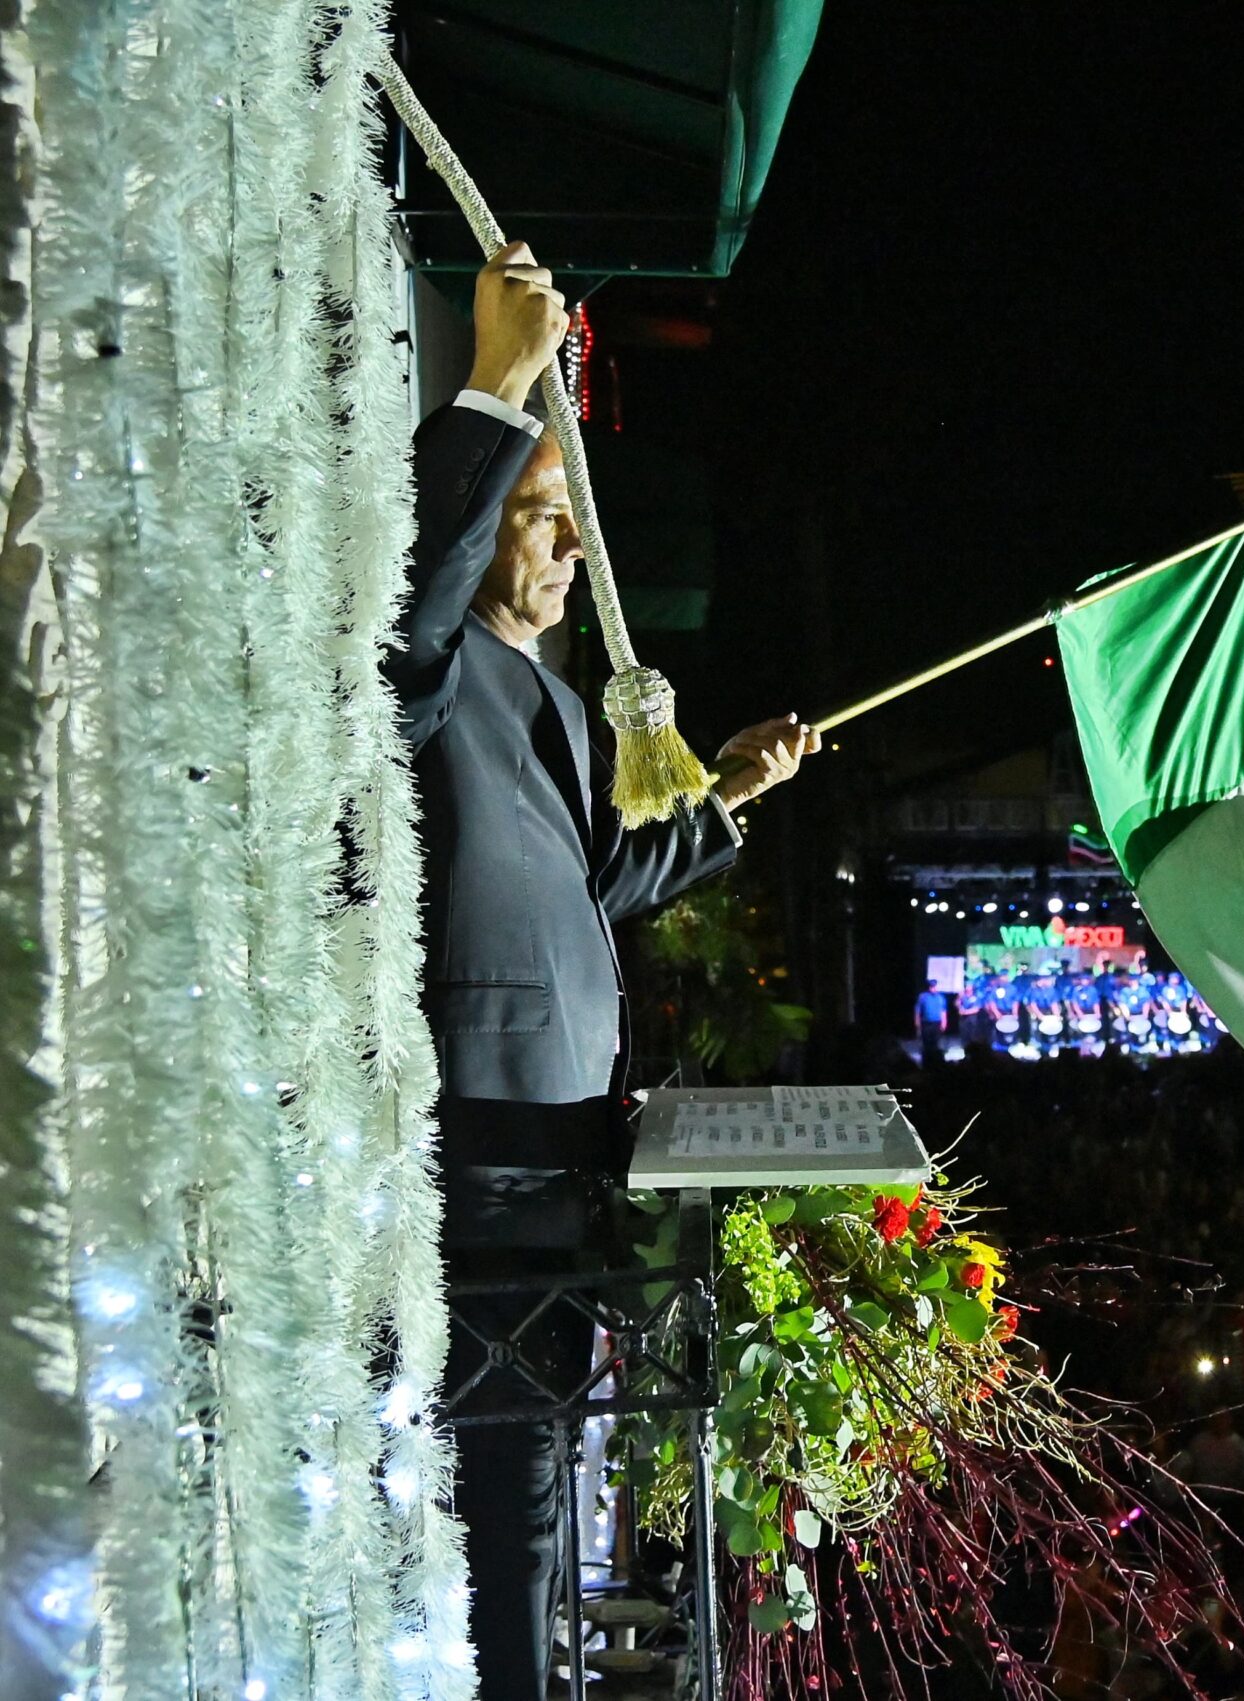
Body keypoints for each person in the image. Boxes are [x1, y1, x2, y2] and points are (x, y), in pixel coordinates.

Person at [390, 243, 819, 1699]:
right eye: (546, 517)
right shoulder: (435, 671)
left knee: (530, 1485)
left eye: (574, 525)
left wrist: (733, 801)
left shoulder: (568, 710)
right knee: (494, 1500)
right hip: (477, 1145)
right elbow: (404, 617)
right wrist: (495, 395)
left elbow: (602, 882)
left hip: (564, 1158)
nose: (572, 550)